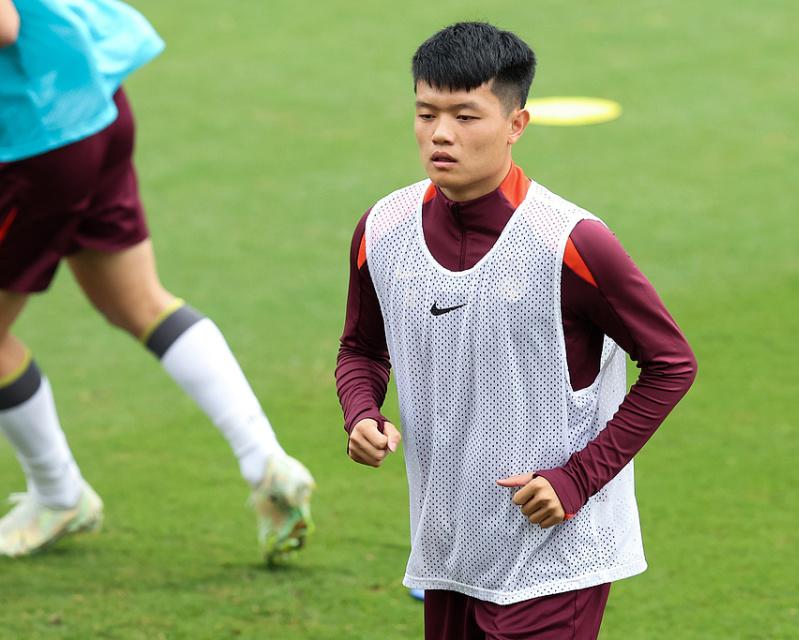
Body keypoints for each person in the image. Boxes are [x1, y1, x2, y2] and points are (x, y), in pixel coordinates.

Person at [336, 21, 698, 639]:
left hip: (557, 557)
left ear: (516, 124)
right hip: (450, 552)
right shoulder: (383, 229)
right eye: (426, 113)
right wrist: (361, 412)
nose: (440, 134)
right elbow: (362, 348)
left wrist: (578, 479)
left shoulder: (571, 243)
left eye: (465, 116)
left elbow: (672, 363)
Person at [0, 0, 315, 563]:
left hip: (32, 135)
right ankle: (265, 459)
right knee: (138, 300)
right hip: (91, 100)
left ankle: (58, 494)